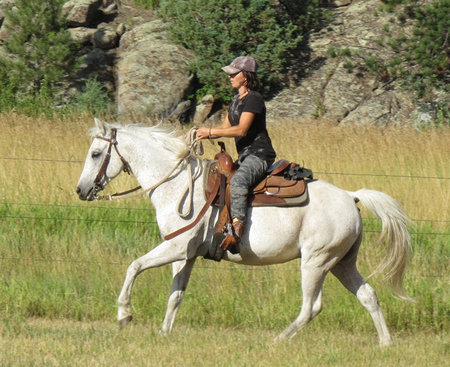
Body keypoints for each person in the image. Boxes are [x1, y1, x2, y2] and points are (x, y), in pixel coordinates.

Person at [196, 56, 276, 251]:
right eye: (230, 73)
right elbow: (225, 127)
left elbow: (241, 130)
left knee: (239, 182)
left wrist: (211, 132)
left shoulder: (254, 99)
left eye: (234, 73)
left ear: (246, 76)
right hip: (245, 156)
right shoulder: (235, 100)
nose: (230, 76)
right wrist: (203, 133)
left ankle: (236, 229)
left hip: (259, 155)